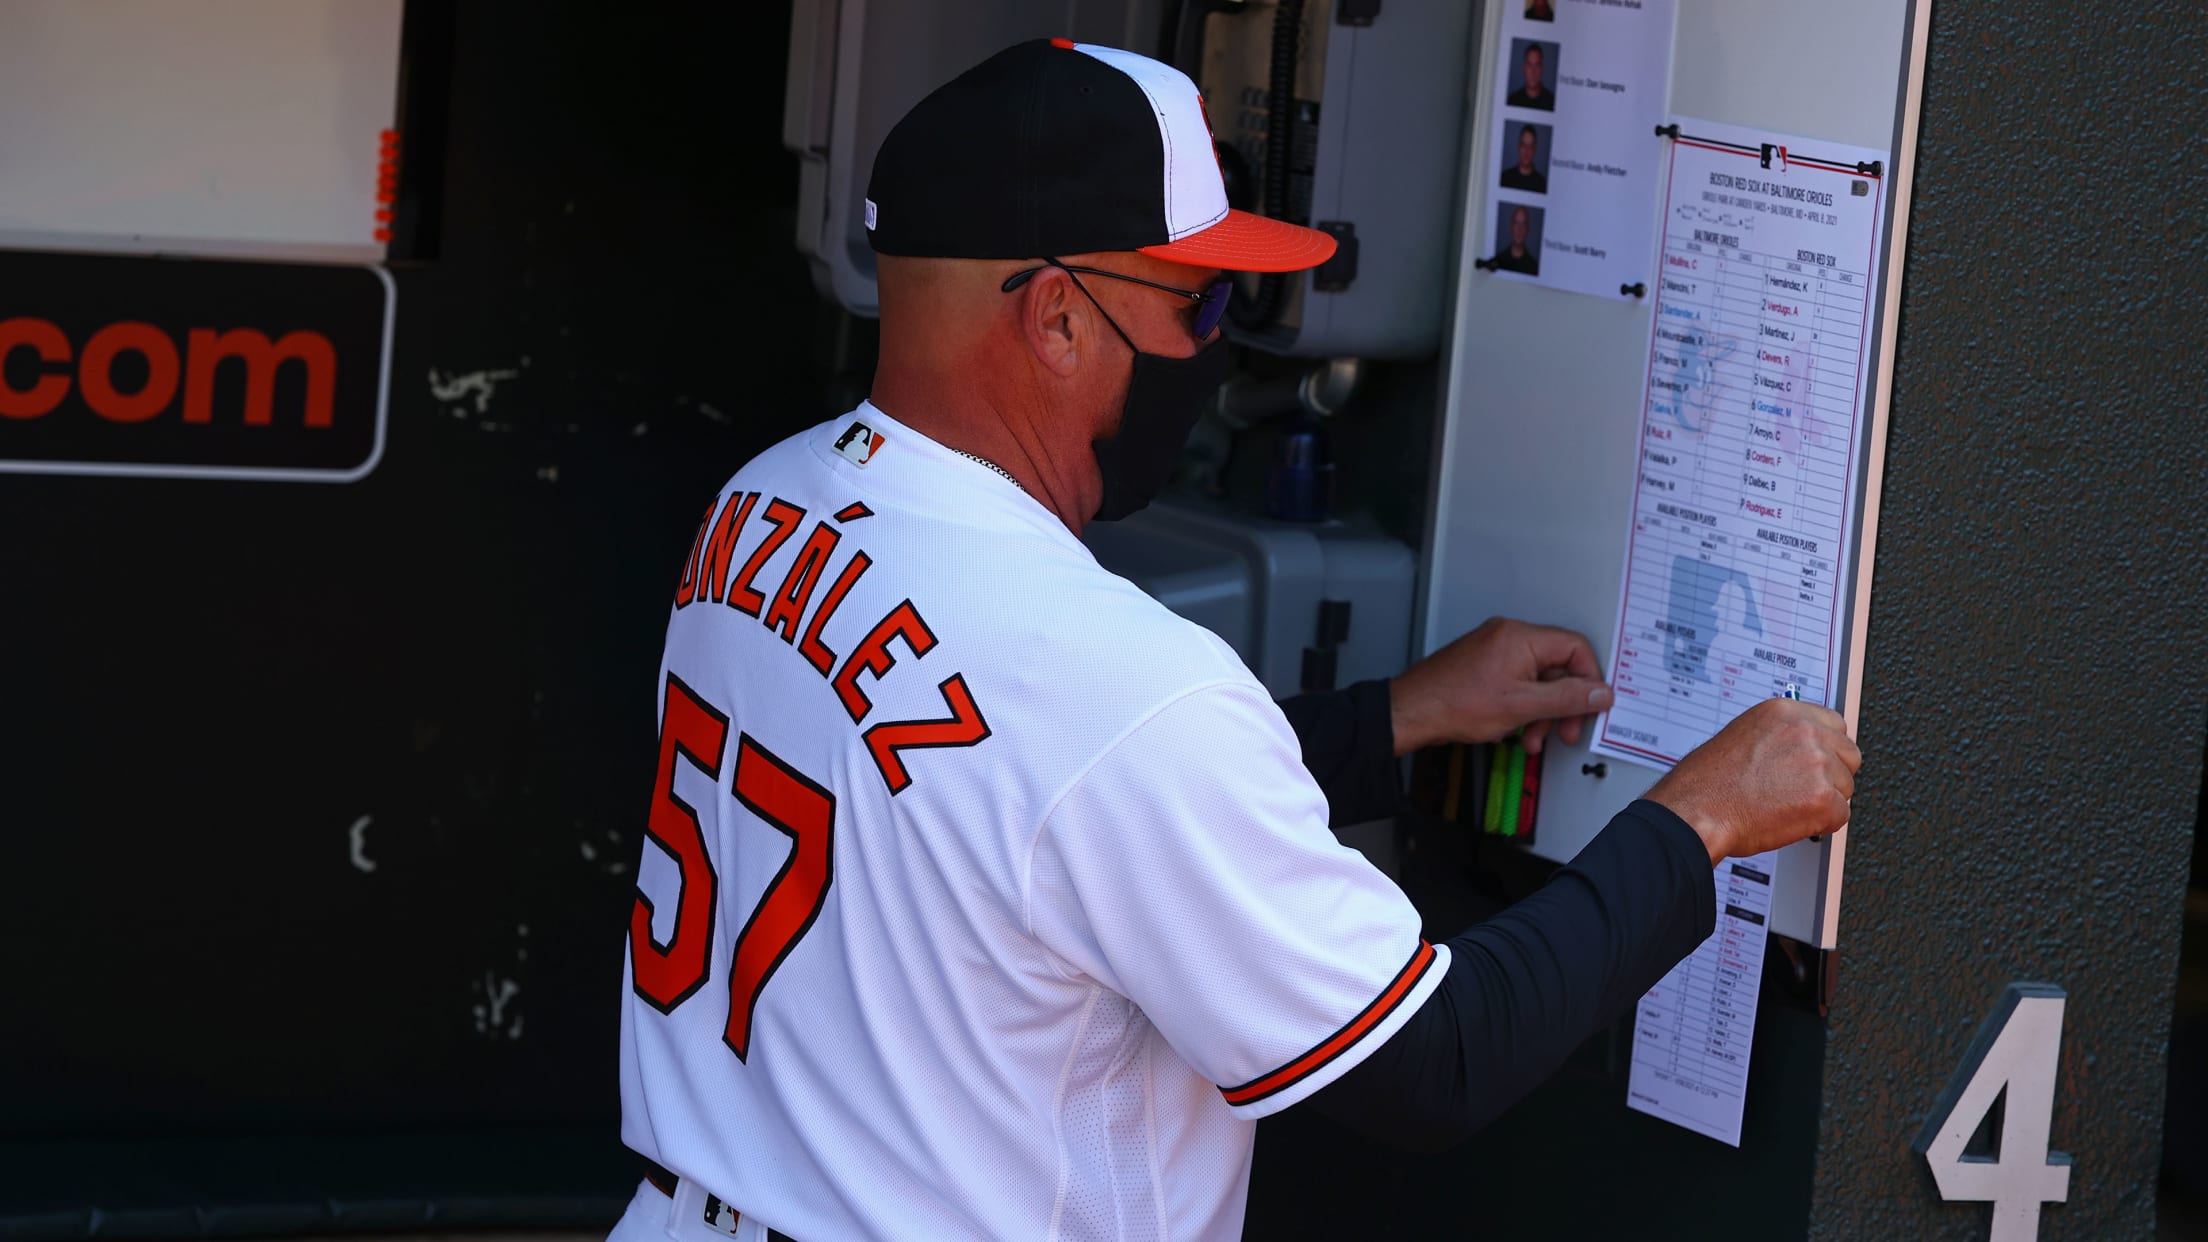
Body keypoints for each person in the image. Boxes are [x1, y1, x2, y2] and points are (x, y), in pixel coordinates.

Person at [608, 39, 1857, 1242]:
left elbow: (1040, 817)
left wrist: (1397, 720)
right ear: (1055, 318)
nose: (1221, 347)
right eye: (1199, 304)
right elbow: (1435, 1060)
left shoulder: (764, 505)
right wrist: (1703, 820)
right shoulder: (1114, 686)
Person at [1507, 42, 1557, 110]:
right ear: (1524, 68)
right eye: (1529, 65)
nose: (1533, 72)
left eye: (1537, 65)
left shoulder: (1552, 102)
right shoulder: (1512, 101)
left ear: (1542, 69)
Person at [1493, 203, 1540, 274]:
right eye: (1516, 223)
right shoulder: (1497, 261)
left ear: (1528, 229)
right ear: (1511, 227)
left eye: (1523, 224)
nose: (1519, 229)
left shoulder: (1534, 267)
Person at [1501, 124, 1547, 193]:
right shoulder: (1505, 178)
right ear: (1519, 147)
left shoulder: (1542, 184)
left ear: (1534, 150)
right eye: (1523, 145)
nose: (1526, 151)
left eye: (1530, 146)